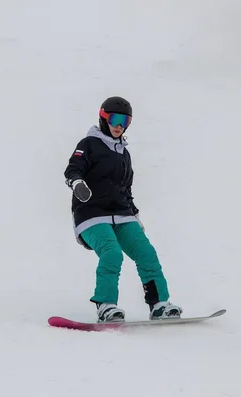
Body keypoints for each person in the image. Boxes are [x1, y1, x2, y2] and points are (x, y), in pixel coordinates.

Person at [64, 96, 183, 323]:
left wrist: (135, 215)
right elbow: (73, 169)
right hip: (91, 214)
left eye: (125, 121)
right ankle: (106, 305)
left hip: (122, 214)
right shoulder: (88, 144)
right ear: (103, 118)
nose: (120, 125)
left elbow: (125, 189)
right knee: (112, 253)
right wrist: (77, 183)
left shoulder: (123, 154)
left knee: (146, 253)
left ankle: (159, 305)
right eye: (115, 119)